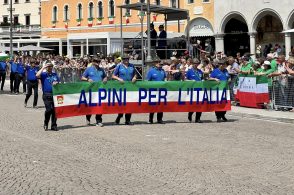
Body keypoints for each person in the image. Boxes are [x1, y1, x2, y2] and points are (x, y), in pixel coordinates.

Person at [81, 59, 107, 127]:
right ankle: (88, 118)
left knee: (99, 105)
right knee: (90, 105)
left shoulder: (102, 69)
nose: (98, 62)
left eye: (98, 61)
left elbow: (105, 77)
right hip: (91, 91)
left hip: (100, 90)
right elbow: (82, 77)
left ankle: (98, 121)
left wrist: (105, 79)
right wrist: (88, 79)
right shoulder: (89, 69)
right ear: (93, 62)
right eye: (96, 61)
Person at [112, 56, 137, 125]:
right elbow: (113, 76)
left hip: (130, 88)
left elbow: (135, 74)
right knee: (122, 104)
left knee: (130, 104)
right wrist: (119, 79)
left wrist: (135, 77)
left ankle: (128, 120)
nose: (126, 60)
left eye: (127, 59)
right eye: (124, 59)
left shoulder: (132, 66)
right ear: (122, 60)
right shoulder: (119, 66)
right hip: (122, 88)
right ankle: (119, 117)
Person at [36, 62, 60, 131]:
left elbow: (59, 81)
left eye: (51, 66)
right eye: (48, 66)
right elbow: (37, 75)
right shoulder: (44, 74)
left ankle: (54, 125)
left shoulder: (55, 74)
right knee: (49, 110)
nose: (50, 67)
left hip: (55, 94)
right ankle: (46, 123)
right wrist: (43, 67)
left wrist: (57, 83)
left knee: (55, 111)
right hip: (47, 95)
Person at [146, 59, 166, 124]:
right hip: (153, 91)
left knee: (161, 105)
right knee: (153, 105)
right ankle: (151, 119)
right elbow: (147, 81)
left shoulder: (163, 71)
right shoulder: (151, 71)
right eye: (157, 62)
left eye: (160, 62)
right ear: (155, 63)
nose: (159, 64)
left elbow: (165, 79)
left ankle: (159, 119)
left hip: (161, 91)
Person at [186, 58, 204, 123]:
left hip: (200, 90)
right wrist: (191, 81)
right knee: (193, 104)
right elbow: (185, 80)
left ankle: (198, 118)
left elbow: (202, 78)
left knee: (200, 104)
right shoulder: (189, 71)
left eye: (197, 63)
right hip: (192, 90)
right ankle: (190, 114)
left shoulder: (200, 71)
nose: (196, 64)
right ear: (192, 64)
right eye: (194, 63)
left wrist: (203, 80)